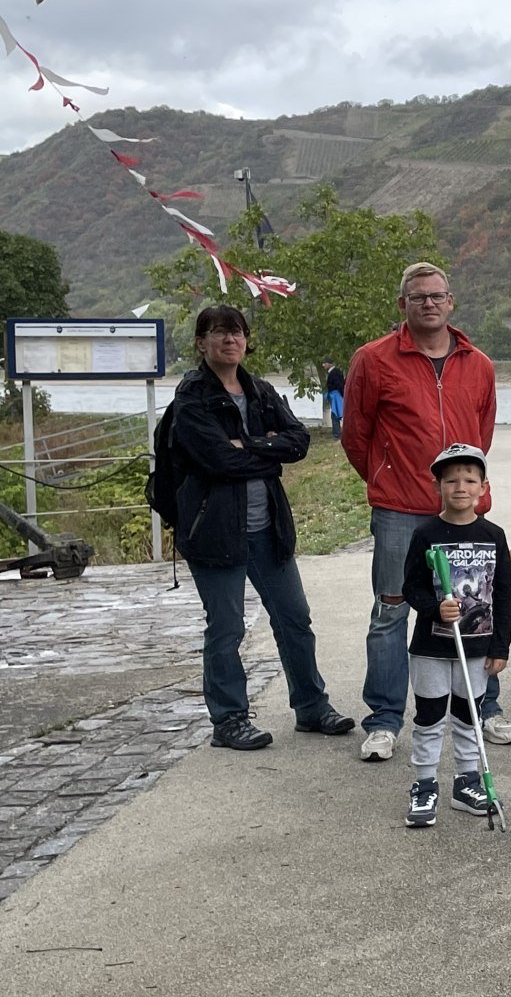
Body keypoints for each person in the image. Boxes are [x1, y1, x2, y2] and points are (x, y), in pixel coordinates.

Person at [343, 261, 511, 762]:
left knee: (474, 606)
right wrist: (386, 478)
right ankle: (383, 719)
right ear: (403, 305)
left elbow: (479, 436)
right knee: (393, 610)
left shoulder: (479, 364)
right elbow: (357, 435)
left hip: (464, 513)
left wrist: (461, 488)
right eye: (418, 297)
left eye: (437, 295)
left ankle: (483, 709)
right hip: (400, 509)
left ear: (451, 302)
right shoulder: (373, 360)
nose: (428, 304)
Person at [169, 305, 354, 751]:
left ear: (246, 340)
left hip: (268, 528)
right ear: (201, 342)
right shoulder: (192, 398)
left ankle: (311, 707)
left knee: (295, 620)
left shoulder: (260, 390)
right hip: (213, 531)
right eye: (218, 333)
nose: (229, 340)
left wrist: (250, 445)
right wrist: (266, 451)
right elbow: (217, 458)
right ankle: (229, 719)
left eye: (236, 332)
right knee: (227, 629)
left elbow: (299, 441)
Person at [399, 444, 511, 827]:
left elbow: (504, 594)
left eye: (469, 479)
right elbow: (411, 586)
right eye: (451, 480)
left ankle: (465, 783)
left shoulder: (494, 535)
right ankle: (424, 784)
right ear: (438, 487)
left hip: (478, 648)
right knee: (430, 718)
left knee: (468, 717)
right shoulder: (425, 534)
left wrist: (501, 646)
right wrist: (434, 609)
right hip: (432, 648)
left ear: (484, 487)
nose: (460, 486)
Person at [322, 359, 347, 441]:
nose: (323, 365)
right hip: (336, 395)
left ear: (330, 364)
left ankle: (337, 434)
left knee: (335, 414)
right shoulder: (335, 371)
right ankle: (338, 432)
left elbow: (339, 384)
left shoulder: (334, 373)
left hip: (336, 395)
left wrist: (341, 394)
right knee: (337, 414)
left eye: (325, 363)